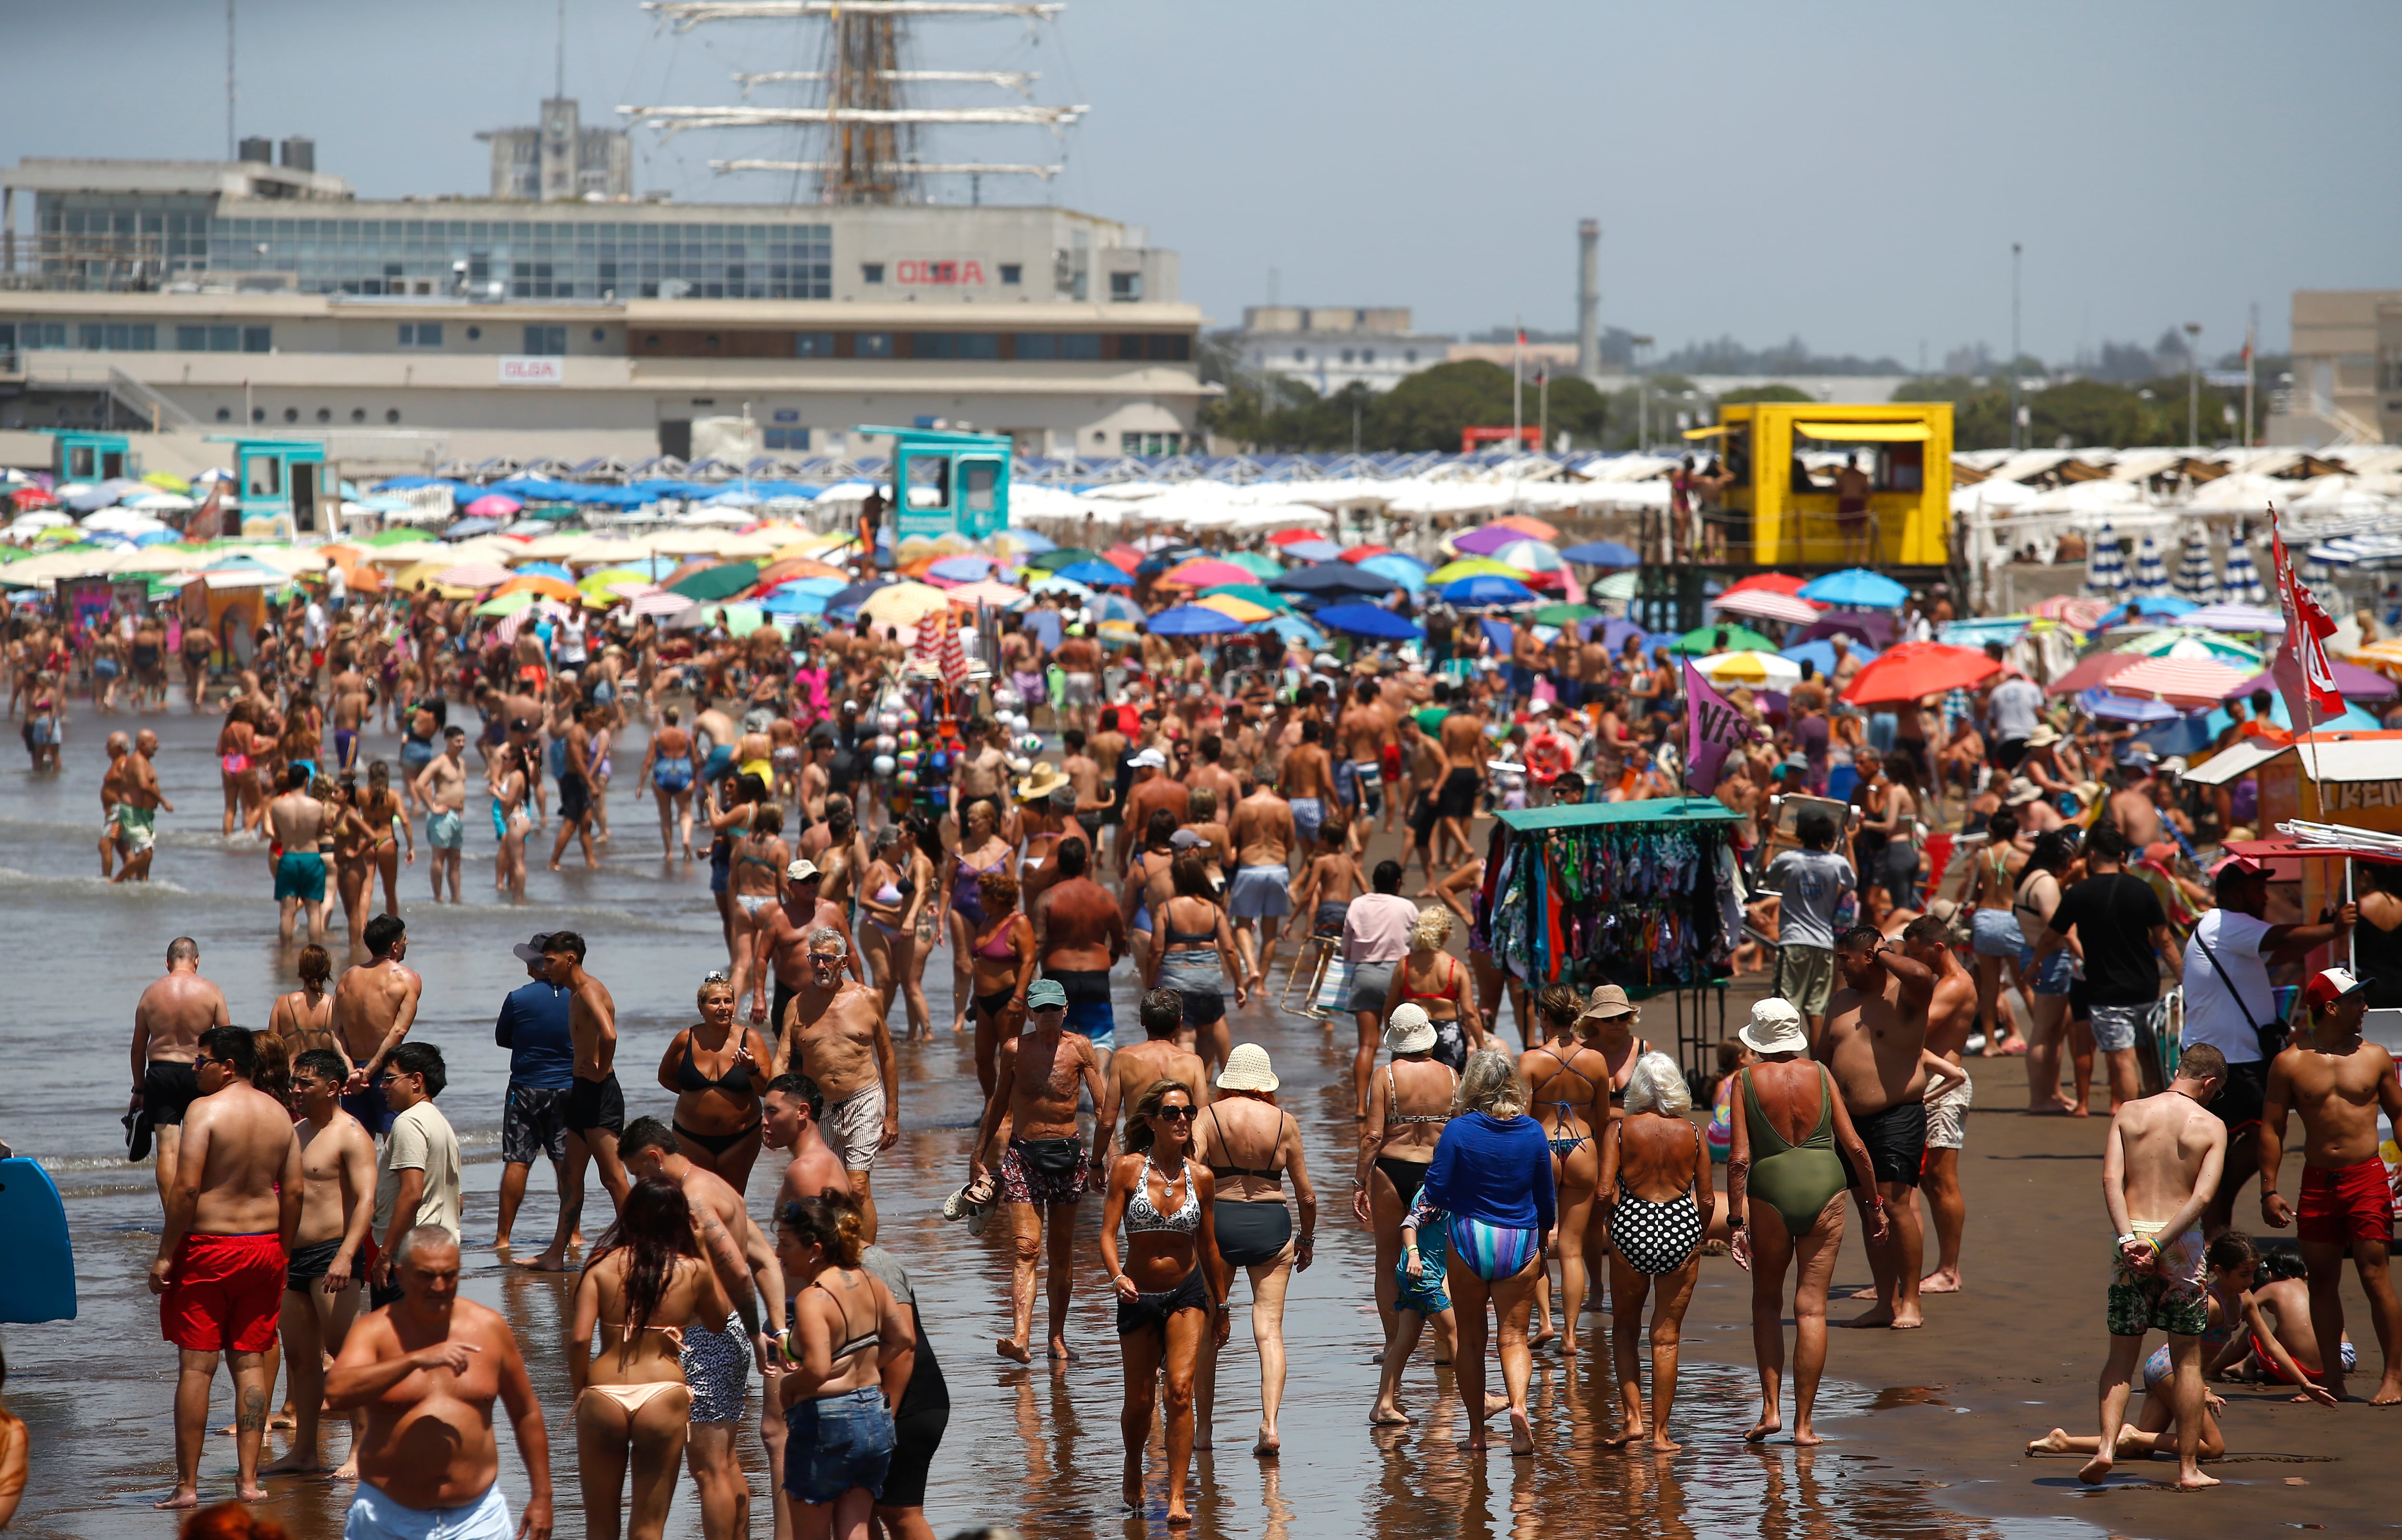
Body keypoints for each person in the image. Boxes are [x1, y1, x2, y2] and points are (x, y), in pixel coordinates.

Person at [148, 1025, 303, 1510]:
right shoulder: (280, 1114)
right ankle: (250, 1481)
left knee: (197, 1365)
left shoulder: (205, 1110)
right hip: (263, 1248)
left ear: (228, 1066)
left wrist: (166, 1252)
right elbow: (295, 1190)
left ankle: (188, 1485)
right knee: (250, 1361)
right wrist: (286, 1248)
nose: (195, 1069)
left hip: (210, 1249)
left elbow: (187, 1189)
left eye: (202, 1060)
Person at [325, 1224, 555, 1540]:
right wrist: (414, 1360)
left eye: (450, 1275)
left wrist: (543, 1497)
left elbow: (526, 1412)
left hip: (477, 1518)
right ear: (401, 1275)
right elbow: (337, 1393)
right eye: (426, 1275)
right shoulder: (375, 1331)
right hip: (387, 1516)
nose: (439, 1286)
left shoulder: (489, 1328)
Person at [1728, 997, 1887, 1446]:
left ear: (1758, 1040)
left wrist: (1734, 1220)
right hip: (1827, 1187)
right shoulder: (1820, 1073)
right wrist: (1874, 1203)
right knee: (1812, 1307)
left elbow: (1740, 1158)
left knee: (1766, 1302)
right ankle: (1804, 1427)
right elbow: (1855, 1146)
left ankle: (1771, 1411)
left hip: (1771, 1190)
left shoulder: (1745, 1080)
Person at [616, 1119, 784, 1540]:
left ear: (655, 1158)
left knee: (708, 1470)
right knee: (726, 1462)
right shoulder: (717, 1184)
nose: (639, 1183)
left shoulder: (692, 1202)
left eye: (638, 1172)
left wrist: (755, 1334)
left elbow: (742, 1275)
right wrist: (774, 1329)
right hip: (728, 1335)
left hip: (710, 1341)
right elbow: (765, 1259)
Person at [2180, 854, 2354, 1238]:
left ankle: (2215, 1231)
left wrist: (2323, 930)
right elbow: (2279, 938)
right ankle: (2214, 1229)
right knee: (2264, 1133)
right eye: (2258, 889)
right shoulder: (2227, 924)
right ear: (2238, 894)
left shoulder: (2226, 929)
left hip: (2233, 1057)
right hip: (2230, 1060)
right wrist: (2333, 931)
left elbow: (2280, 952)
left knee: (2251, 1137)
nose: (2264, 898)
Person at [2085, 1043, 2230, 1490]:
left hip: (2128, 1239)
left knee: (2120, 1357)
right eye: (2215, 1092)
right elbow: (2203, 1198)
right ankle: (2188, 1469)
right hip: (2179, 1241)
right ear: (2209, 1083)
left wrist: (2132, 1239)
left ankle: (2107, 1448)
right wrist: (2159, 1242)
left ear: (2178, 1070)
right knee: (2187, 1362)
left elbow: (2112, 1178)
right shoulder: (2211, 1125)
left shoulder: (2130, 1112)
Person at [2257, 966, 2402, 1403]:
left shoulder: (2375, 1056)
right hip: (2318, 1183)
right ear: (2332, 1007)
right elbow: (2272, 1127)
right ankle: (2332, 1379)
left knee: (2375, 1275)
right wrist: (2269, 1189)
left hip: (2367, 1178)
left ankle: (2394, 1377)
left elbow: (2398, 1116)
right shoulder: (2290, 1062)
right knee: (2321, 1281)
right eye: (2357, 999)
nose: (2365, 1007)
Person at [566, 1176, 736, 1540]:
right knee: (648, 1528)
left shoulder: (600, 1264)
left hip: (604, 1391)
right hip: (663, 1393)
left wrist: (582, 1390)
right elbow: (720, 1321)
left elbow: (580, 1339)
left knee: (599, 1527)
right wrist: (703, 1249)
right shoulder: (692, 1270)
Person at [1097, 1078, 1229, 1526]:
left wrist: (1223, 1306)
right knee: (1139, 1401)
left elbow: (1209, 1247)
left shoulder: (1203, 1177)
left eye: (1188, 1113)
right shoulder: (1128, 1169)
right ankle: (1133, 1465)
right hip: (1137, 1295)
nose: (1182, 1121)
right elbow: (1107, 1235)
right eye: (1171, 1114)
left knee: (1179, 1392)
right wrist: (1116, 1277)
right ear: (1151, 1121)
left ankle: (1176, 1495)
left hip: (1187, 1295)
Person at [1410, 1049, 1554, 1457]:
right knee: (1514, 1340)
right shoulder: (1531, 1132)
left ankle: (1476, 1433)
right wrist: (1543, 1241)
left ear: (1472, 1085)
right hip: (1519, 1239)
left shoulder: (1458, 1131)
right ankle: (1520, 1409)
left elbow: (1435, 1191)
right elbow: (1545, 1196)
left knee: (1472, 1341)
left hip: (1471, 1238)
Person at [968, 978, 1108, 1363]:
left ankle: (1057, 1339)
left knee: (1061, 1253)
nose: (1047, 1016)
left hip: (1069, 1155)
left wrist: (1106, 1159)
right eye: (1040, 1009)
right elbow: (998, 1104)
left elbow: (1103, 1109)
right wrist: (977, 1155)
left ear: (1065, 1011)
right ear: (1029, 1013)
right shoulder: (1014, 1050)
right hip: (1023, 1155)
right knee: (1026, 1249)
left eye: (1053, 1009)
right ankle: (1021, 1338)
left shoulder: (1080, 1048)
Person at [1190, 1044, 1316, 1459]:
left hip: (1218, 1226)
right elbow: (1308, 1196)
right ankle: (1271, 1425)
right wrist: (1307, 1241)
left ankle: (1204, 1431)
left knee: (1209, 1330)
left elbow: (1189, 1176)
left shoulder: (1207, 1116)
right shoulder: (1285, 1122)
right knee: (1270, 1331)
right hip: (1271, 1225)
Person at [1815, 925, 1939, 1330]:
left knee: (1896, 1207)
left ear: (1868, 956)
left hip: (1897, 1115)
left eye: (1845, 959)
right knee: (1871, 1211)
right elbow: (1822, 1061)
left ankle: (1912, 1301)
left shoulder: (1904, 996)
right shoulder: (1840, 1001)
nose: (1841, 968)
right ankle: (1884, 1301)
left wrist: (1880, 952)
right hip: (1850, 1123)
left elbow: (1924, 975)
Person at [261, 1048, 376, 1478]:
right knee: (301, 1360)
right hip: (294, 1257)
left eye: (304, 1084)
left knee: (346, 1356)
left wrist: (348, 1254)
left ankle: (361, 1449)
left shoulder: (351, 1134)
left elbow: (367, 1198)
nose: (295, 1091)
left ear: (331, 1088)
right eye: (294, 1082)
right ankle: (305, 1452)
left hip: (334, 1254)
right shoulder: (298, 1132)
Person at [774, 1195, 912, 1540]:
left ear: (815, 1250)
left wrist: (787, 1387)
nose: (778, 1254)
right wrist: (862, 1365)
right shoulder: (872, 1282)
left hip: (827, 1424)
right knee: (856, 1532)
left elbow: (818, 1371)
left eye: (785, 1244)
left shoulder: (813, 1297)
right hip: (874, 1421)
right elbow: (903, 1339)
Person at [1599, 1052, 1716, 1452]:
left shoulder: (1620, 1129)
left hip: (1632, 1224)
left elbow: (1603, 1190)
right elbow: (1707, 1197)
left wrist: (1612, 1224)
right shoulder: (1694, 1132)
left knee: (1625, 1329)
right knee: (1666, 1338)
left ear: (1638, 1089)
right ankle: (1661, 1435)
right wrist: (1697, 1236)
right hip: (1681, 1224)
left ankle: (1633, 1420)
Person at [2029, 821, 2179, 1114]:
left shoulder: (2079, 893)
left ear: (2093, 856)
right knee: (2149, 1058)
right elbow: (2166, 941)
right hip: (2147, 987)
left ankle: (2135, 1122)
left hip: (2107, 992)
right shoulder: (2143, 890)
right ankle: (2159, 1118)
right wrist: (2184, 978)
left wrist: (2035, 963)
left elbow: (2051, 935)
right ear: (2122, 857)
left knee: (2123, 1060)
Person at [1361, 1005, 1458, 1427]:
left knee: (1387, 1258)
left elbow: (1372, 1134)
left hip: (1390, 1168)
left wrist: (1357, 1180)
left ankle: (1394, 1339)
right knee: (1440, 1256)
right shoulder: (1451, 1076)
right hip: (1435, 1172)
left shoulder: (1385, 1076)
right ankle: (1442, 1340)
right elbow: (1458, 1132)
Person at [772, 926, 899, 1241]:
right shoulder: (797, 1005)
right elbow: (782, 1058)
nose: (820, 966)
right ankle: (837, 1252)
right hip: (822, 1107)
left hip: (863, 1098)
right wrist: (773, 1108)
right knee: (829, 1189)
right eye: (815, 958)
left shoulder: (868, 999)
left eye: (828, 960)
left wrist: (892, 1115)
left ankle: (867, 1262)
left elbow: (887, 1057)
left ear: (843, 963)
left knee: (857, 1186)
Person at [527, 931, 632, 1272]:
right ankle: (556, 1253)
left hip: (600, 1095)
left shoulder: (587, 991)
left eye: (551, 961)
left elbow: (610, 1033)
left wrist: (601, 1071)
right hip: (581, 1092)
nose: (545, 967)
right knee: (571, 1177)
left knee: (613, 1178)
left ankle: (643, 1246)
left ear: (570, 959)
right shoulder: (573, 993)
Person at [1519, 984, 1602, 1355]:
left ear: (1545, 1017)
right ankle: (1570, 1336)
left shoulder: (1530, 1061)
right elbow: (1602, 1120)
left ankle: (1546, 1322)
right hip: (1584, 1147)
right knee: (1571, 1250)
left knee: (1538, 1243)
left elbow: (1520, 1120)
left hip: (1542, 1147)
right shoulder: (1596, 1061)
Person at [132, 937, 234, 1211]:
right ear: (197, 961)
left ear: (167, 963)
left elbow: (138, 1048)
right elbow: (227, 1043)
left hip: (160, 1072)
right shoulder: (211, 991)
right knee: (202, 1147)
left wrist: (138, 1089)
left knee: (167, 1150)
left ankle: (172, 1216)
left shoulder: (151, 993)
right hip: (199, 1072)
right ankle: (199, 1212)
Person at [857, 1241, 948, 1540]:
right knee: (862, 1509)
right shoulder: (834, 1269)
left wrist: (886, 1417)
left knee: (900, 1514)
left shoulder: (874, 1264)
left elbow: (903, 1347)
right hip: (879, 1403)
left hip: (909, 1401)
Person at [1912, 912, 1981, 1296]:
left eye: (1917, 955)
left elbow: (1916, 1026)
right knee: (1927, 1179)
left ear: (1938, 948)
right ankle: (1938, 1268)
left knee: (1943, 1180)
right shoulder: (1942, 981)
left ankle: (1950, 1271)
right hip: (1933, 1083)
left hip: (1947, 1085)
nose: (1914, 963)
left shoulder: (1955, 984)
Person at [494, 934, 577, 1256]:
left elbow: (503, 1039)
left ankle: (503, 1237)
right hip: (569, 1088)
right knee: (565, 1163)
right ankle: (576, 1234)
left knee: (518, 1160)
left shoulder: (518, 998)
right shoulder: (579, 996)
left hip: (527, 1087)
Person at [656, 974, 774, 1195]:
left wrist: (752, 1069)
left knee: (733, 1201)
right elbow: (665, 1077)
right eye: (715, 1002)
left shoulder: (751, 1039)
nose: (723, 1007)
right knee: (694, 1202)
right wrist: (698, 1097)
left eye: (728, 1001)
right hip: (690, 1137)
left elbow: (768, 1089)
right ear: (701, 1008)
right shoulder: (686, 1039)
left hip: (741, 1138)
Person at [368, 1043, 463, 1310]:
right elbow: (459, 1201)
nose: (382, 1087)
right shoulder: (441, 1123)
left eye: (389, 1078)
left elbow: (411, 1194)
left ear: (417, 1081)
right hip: (441, 1252)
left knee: (396, 1344)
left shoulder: (409, 1122)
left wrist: (385, 1255)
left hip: (409, 1258)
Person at [1145, 849, 1245, 1079]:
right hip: (1209, 983)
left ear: (1176, 879)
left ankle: (1187, 1089)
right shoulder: (1213, 909)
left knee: (1186, 1037)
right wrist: (1239, 984)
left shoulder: (1166, 909)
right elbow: (1230, 949)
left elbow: (1156, 951)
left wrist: (1150, 985)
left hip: (1178, 984)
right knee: (1208, 1035)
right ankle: (1205, 1092)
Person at [1035, 836, 1128, 1065]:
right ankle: (1101, 1084)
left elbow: (1037, 943)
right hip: (1095, 979)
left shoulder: (1048, 898)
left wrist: (1027, 978)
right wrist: (1112, 956)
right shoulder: (1105, 897)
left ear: (1059, 863)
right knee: (1101, 1040)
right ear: (1086, 863)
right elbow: (1121, 940)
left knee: (1059, 1043)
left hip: (1058, 980)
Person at [1767, 809, 1855, 1041]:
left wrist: (1770, 838)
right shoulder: (1837, 862)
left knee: (1786, 1009)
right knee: (1816, 1011)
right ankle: (1817, 1065)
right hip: (1824, 942)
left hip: (1794, 940)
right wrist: (1851, 843)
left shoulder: (1790, 859)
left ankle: (1783, 1065)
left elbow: (1768, 876)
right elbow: (1852, 881)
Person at [1345, 862, 1425, 1116]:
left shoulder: (1358, 904)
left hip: (1365, 974)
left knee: (1367, 1046)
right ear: (1398, 883)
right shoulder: (1407, 906)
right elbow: (1417, 944)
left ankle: (1360, 1107)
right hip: (1397, 975)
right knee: (1403, 1044)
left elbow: (1347, 947)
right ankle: (1398, 1103)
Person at [334, 913, 423, 1139]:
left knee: (357, 1149)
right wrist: (369, 1072)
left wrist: (352, 1070)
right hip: (386, 1073)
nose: (407, 943)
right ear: (395, 947)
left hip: (352, 1077)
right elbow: (398, 1031)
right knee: (394, 1149)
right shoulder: (408, 979)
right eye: (404, 939)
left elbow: (335, 1032)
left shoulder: (347, 978)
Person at [1096, 988, 1212, 1161]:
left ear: (1142, 1021)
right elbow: (1202, 1123)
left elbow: (1107, 1123)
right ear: (1179, 1022)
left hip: (1138, 1154)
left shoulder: (1124, 1058)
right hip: (1179, 1157)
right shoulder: (1193, 1062)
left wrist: (1096, 1163)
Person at [967, 868, 1039, 1092]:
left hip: (1008, 998)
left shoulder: (1019, 922)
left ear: (996, 900)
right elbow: (982, 963)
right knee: (982, 1059)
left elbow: (1029, 962)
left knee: (1009, 1058)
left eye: (983, 896)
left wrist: (1018, 998)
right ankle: (991, 1105)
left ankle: (1009, 1111)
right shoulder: (989, 919)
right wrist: (974, 996)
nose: (979, 900)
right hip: (983, 1000)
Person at [1226, 774, 1297, 994]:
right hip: (1277, 868)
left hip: (1250, 868)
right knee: (1270, 930)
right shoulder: (1284, 807)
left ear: (1254, 781)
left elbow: (1230, 838)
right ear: (1274, 782)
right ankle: (1262, 985)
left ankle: (1252, 969)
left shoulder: (1243, 806)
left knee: (1243, 925)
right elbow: (1291, 844)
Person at [266, 764, 331, 943]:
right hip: (311, 857)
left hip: (288, 857)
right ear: (307, 780)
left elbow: (276, 833)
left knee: (287, 912)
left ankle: (286, 954)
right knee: (313, 910)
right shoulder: (317, 806)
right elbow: (322, 830)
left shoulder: (278, 806)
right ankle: (315, 952)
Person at [413, 724, 470, 904]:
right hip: (441, 816)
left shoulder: (461, 763)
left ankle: (456, 898)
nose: (461, 744)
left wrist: (462, 810)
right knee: (439, 858)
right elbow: (420, 784)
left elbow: (460, 788)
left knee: (456, 859)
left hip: (456, 816)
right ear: (448, 741)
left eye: (463, 740)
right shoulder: (439, 763)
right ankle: (438, 896)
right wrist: (432, 807)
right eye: (457, 741)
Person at [639, 706, 699, 859]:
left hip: (663, 776)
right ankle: (686, 839)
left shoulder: (658, 737)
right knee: (685, 813)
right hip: (684, 774)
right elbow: (696, 760)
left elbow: (648, 761)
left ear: (665, 718)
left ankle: (670, 852)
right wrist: (696, 779)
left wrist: (640, 785)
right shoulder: (687, 736)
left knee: (666, 816)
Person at [269, 944, 337, 1059]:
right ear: (326, 970)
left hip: (292, 1073)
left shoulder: (282, 1004)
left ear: (301, 968)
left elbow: (270, 1047)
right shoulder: (334, 1006)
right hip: (323, 1073)